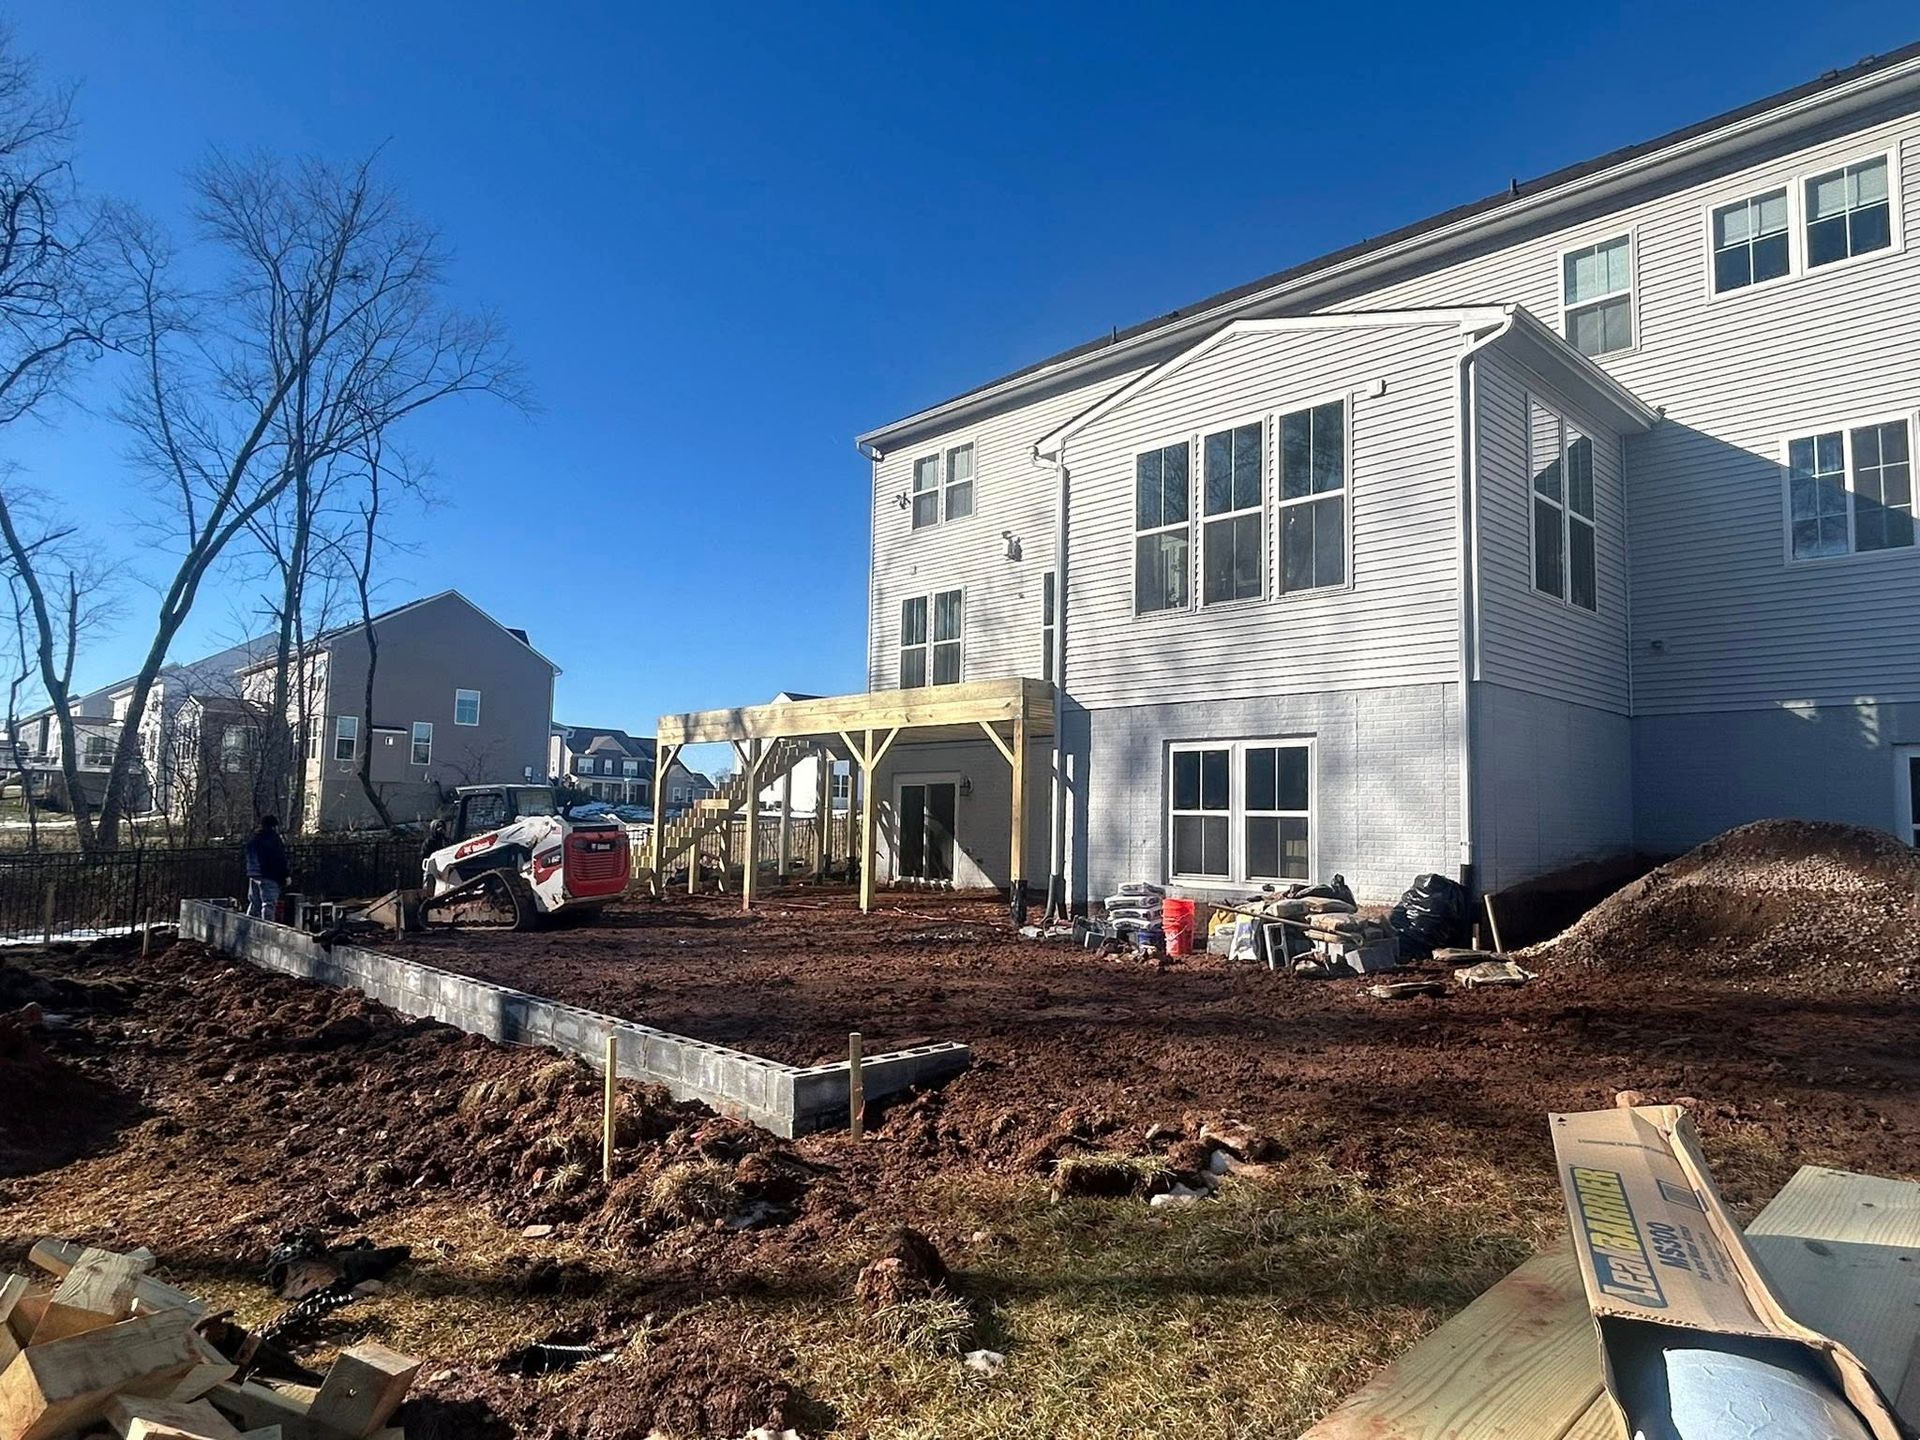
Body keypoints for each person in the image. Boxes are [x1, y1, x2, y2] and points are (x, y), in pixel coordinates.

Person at [245, 814, 291, 920]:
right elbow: (279, 859)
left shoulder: (254, 838)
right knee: (268, 904)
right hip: (269, 875)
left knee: (254, 904)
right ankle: (267, 931)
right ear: (274, 826)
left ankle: (248, 927)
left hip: (254, 874)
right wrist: (285, 875)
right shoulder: (273, 839)